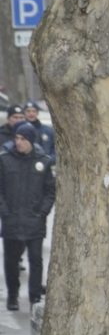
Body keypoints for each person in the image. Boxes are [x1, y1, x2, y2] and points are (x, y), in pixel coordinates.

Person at [0, 123, 54, 310]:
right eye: (17, 138)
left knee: (36, 260)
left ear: (31, 140)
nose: (18, 142)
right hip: (12, 220)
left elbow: (50, 191)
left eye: (23, 139)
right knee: (11, 261)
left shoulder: (43, 161)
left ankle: (35, 297)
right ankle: (13, 296)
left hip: (34, 221)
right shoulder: (4, 160)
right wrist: (5, 212)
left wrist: (42, 212)